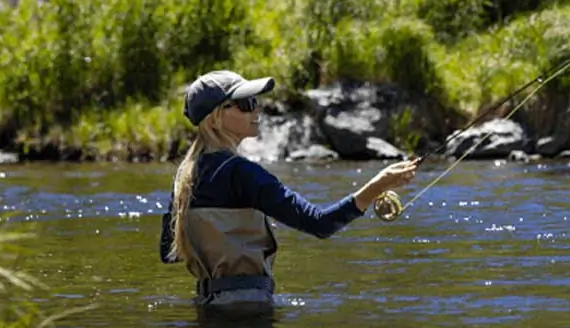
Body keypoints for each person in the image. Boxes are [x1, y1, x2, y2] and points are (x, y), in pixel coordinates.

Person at [159, 69, 419, 309]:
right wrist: (378, 185)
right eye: (246, 103)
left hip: (206, 305)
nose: (257, 109)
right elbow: (320, 224)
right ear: (215, 118)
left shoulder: (185, 177)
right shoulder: (242, 173)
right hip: (249, 309)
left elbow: (168, 252)